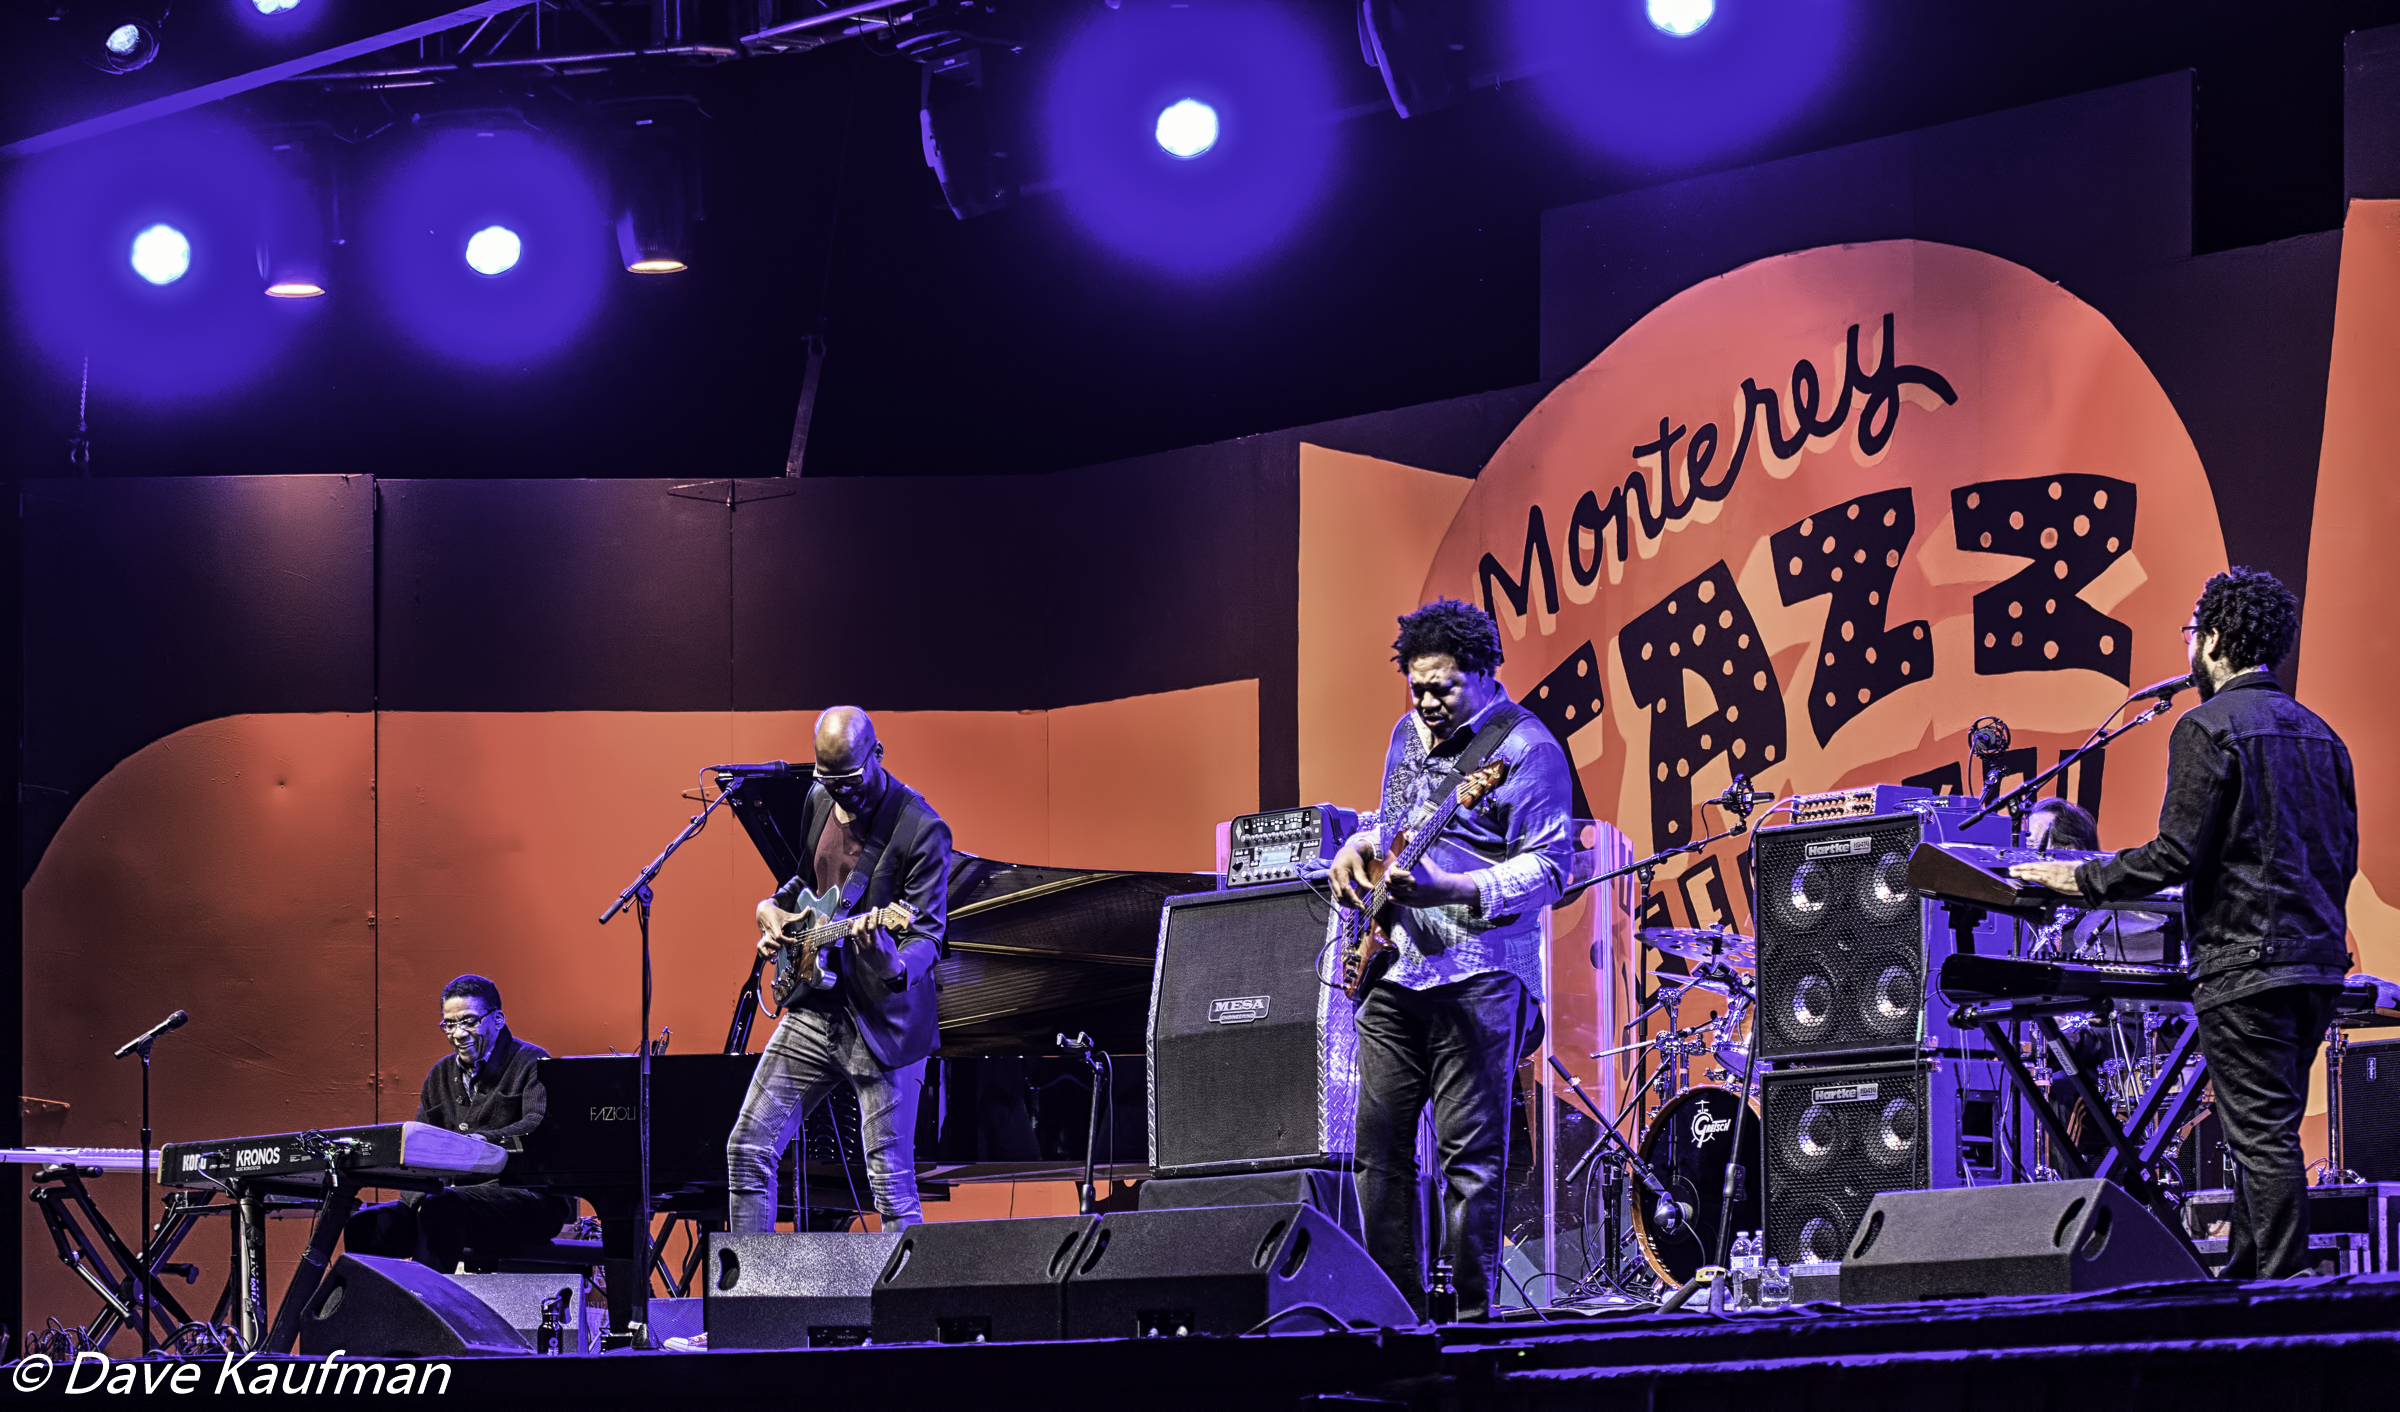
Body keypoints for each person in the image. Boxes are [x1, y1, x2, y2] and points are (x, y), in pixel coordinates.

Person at [2011, 567, 2356, 1279]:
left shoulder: (2208, 726)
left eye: (2192, 633)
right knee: (2267, 1132)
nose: (2189, 646)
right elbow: (2340, 856)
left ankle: (2284, 1299)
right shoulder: (2323, 736)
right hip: (2315, 962)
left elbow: (2172, 854)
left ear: (2217, 639)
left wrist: (2079, 877)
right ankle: (2244, 1272)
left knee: (2260, 1138)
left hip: (2246, 964)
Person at [1328, 598, 1575, 1321]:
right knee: (1378, 1157)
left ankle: (1472, 1327)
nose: (1428, 703)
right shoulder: (1405, 734)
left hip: (1481, 977)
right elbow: (1397, 825)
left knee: (1470, 1165)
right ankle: (1395, 1319)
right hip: (1396, 968)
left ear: (1487, 672)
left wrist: (1456, 886)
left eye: (1444, 688)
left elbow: (1551, 869)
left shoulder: (1528, 750)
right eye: (1418, 687)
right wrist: (1360, 844)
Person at [725, 706, 951, 1236]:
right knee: (746, 1150)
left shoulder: (921, 828)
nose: (841, 792)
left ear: (877, 754)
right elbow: (803, 883)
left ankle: (909, 1314)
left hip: (882, 1021)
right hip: (814, 1009)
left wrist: (892, 963)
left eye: (850, 778)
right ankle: (750, 1310)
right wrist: (770, 909)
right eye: (829, 779)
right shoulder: (819, 797)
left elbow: (928, 935)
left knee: (890, 1186)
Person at [344, 975, 576, 1269]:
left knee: (442, 1209)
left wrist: (482, 1142)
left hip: (528, 1200)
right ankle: (375, 1314)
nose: (458, 1033)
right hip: (447, 1200)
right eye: (449, 1024)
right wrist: (413, 1202)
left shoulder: (531, 1062)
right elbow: (420, 1148)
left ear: (498, 1020)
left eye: (469, 1021)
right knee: (365, 1225)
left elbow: (539, 1128)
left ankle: (425, 1308)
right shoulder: (440, 1074)